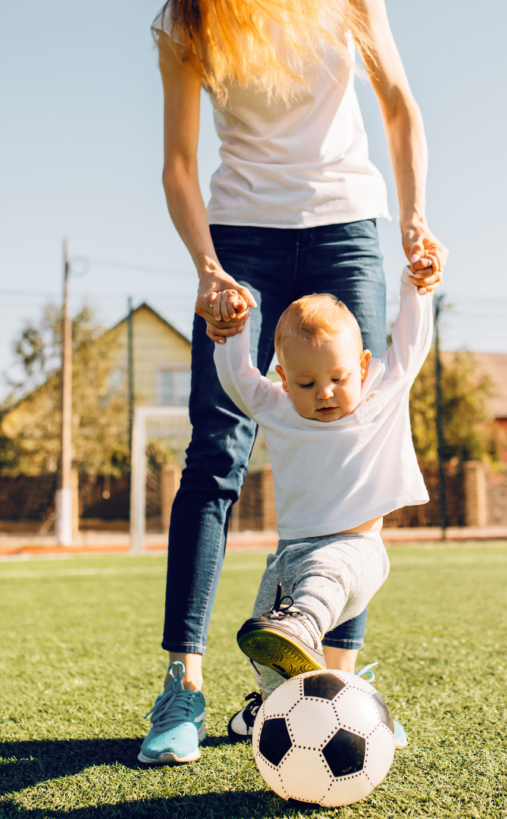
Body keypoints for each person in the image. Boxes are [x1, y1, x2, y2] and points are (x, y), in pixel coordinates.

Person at [142, 0, 447, 766]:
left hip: (348, 224)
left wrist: (413, 220)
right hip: (243, 234)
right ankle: (183, 684)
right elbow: (179, 164)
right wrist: (209, 270)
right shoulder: (186, 21)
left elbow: (399, 108)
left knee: (360, 439)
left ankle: (335, 685)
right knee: (214, 455)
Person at [213, 270, 431, 747]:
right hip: (291, 552)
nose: (325, 393)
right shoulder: (279, 406)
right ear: (284, 378)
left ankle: (336, 674)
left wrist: (417, 287)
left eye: (338, 377)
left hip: (356, 550)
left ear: (364, 365)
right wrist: (233, 332)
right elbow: (237, 380)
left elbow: (413, 343)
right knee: (263, 634)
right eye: (308, 382)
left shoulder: (381, 394)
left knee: (320, 584)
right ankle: (271, 702)